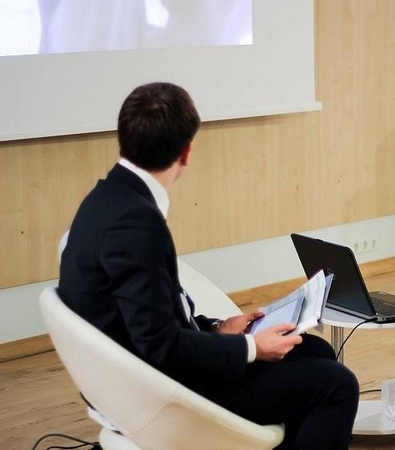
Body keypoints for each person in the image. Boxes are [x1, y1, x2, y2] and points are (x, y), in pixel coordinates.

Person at [58, 82, 358, 449]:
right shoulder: (136, 223)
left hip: (136, 372)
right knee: (337, 386)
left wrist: (219, 329)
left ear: (125, 139)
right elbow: (160, 345)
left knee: (314, 352)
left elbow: (149, 315)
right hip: (164, 390)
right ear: (186, 152)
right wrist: (250, 347)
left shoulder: (105, 198)